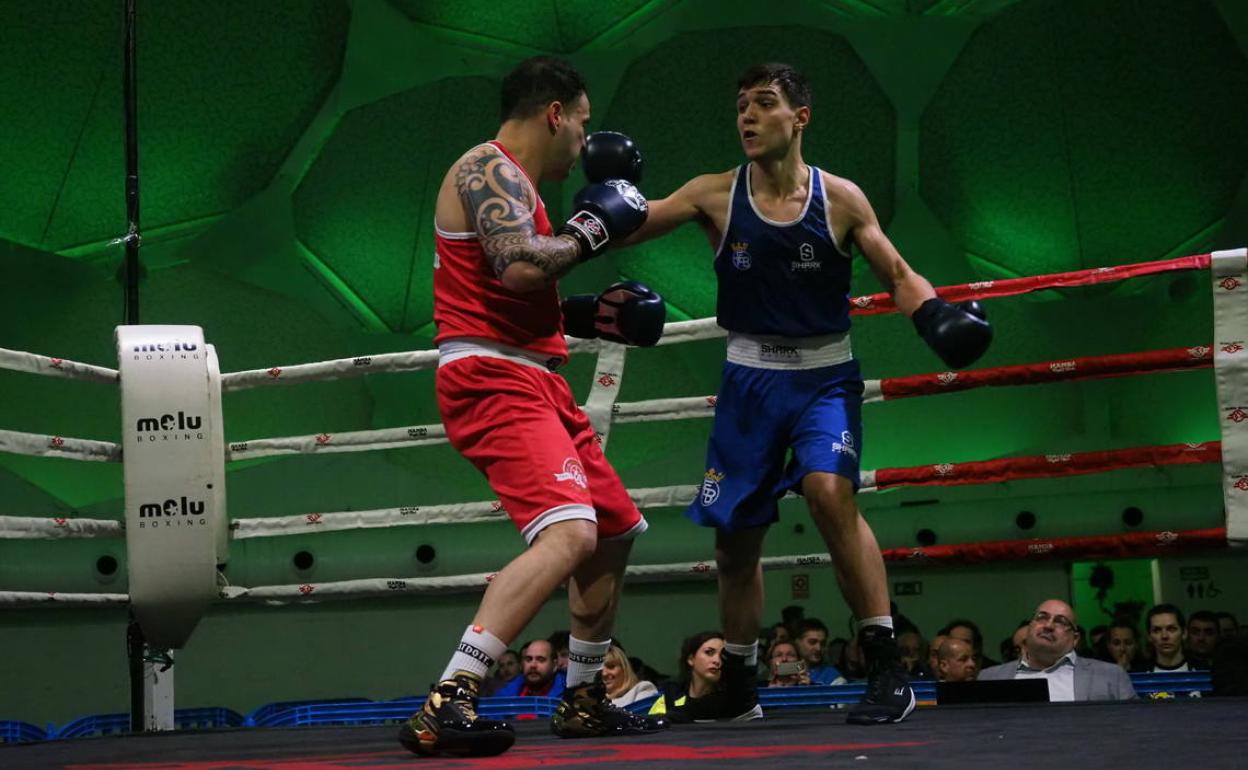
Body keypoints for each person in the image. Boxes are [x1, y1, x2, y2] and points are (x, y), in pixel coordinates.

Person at [624, 62, 991, 725]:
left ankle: (887, 668)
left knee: (829, 492)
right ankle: (737, 684)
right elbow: (639, 221)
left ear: (800, 117)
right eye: (740, 105)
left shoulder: (841, 198)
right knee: (735, 542)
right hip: (748, 382)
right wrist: (603, 202)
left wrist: (934, 314)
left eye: (763, 103)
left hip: (824, 377)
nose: (747, 116)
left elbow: (898, 272)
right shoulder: (713, 193)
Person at [399, 55, 667, 758]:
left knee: (612, 530)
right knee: (571, 534)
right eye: (581, 123)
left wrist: (592, 315)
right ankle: (447, 697)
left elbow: (511, 290)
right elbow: (518, 266)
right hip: (493, 378)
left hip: (532, 374)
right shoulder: (484, 170)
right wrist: (591, 231)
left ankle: (581, 698)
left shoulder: (517, 187)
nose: (584, 141)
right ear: (555, 112)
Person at [978, 599, 1135, 701]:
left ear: (1075, 639)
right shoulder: (990, 677)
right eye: (1041, 617)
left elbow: (1134, 728)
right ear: (1029, 627)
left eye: (1061, 622)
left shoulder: (1111, 676)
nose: (1048, 625)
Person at [649, 631, 725, 718]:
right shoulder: (669, 691)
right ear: (691, 659)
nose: (717, 661)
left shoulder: (728, 700)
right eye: (709, 652)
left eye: (722, 656)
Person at [493, 639, 567, 697]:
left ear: (554, 665)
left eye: (540, 659)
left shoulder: (568, 693)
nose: (533, 665)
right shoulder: (505, 693)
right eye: (528, 659)